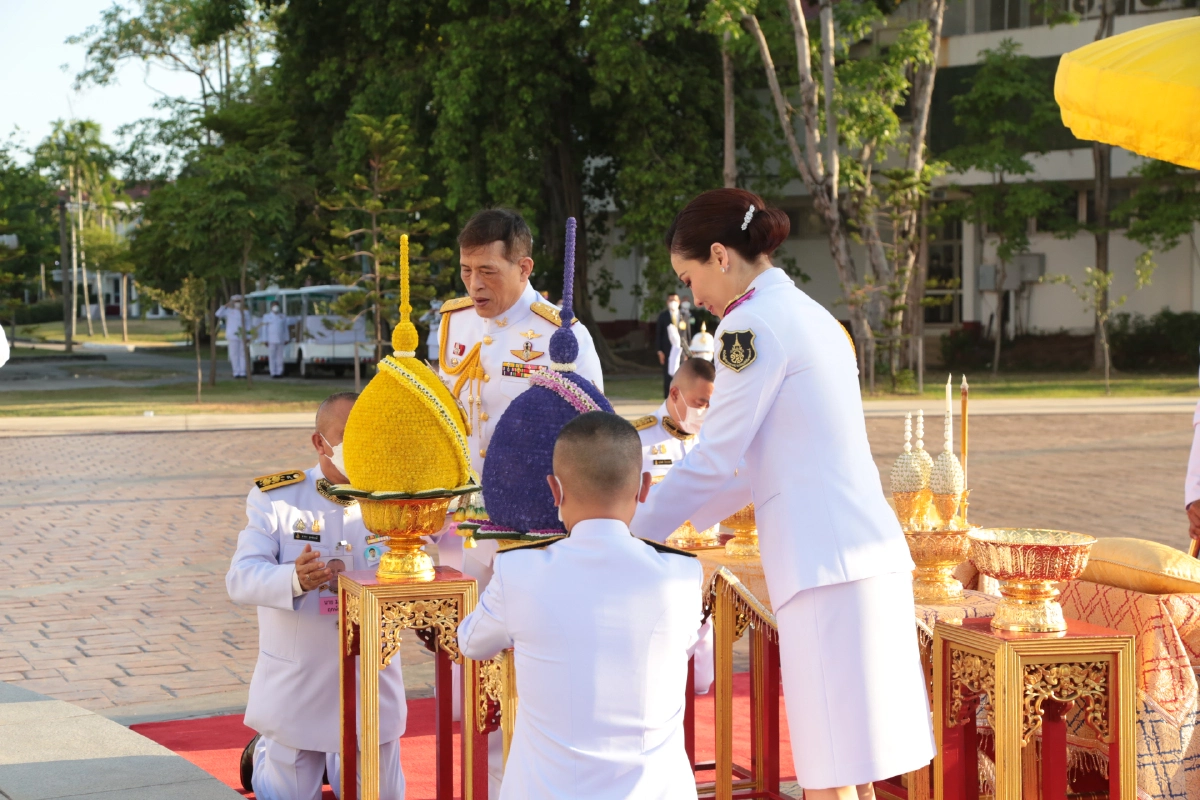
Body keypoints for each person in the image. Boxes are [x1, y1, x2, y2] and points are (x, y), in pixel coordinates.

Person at [629, 188, 934, 800]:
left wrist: (633, 529)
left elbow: (718, 457)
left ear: (720, 256)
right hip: (862, 557)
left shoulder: (749, 325)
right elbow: (754, 462)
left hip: (825, 568)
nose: (694, 296)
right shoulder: (809, 312)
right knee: (854, 773)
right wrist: (672, 523)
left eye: (690, 277)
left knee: (828, 777)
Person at [458, 411, 704, 800]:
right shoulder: (681, 574)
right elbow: (702, 678)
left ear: (555, 490)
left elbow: (471, 642)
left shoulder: (520, 569)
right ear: (644, 487)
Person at [226, 392, 407, 800]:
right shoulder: (278, 499)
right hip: (298, 686)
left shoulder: (395, 499)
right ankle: (266, 755)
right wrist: (293, 579)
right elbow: (241, 578)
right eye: (345, 435)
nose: (357, 445)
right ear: (319, 443)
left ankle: (331, 761)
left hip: (370, 686)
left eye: (366, 434)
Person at [436, 208, 604, 575]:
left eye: (488, 271)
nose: (474, 284)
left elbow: (594, 433)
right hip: (471, 521)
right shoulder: (455, 323)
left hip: (539, 525)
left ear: (524, 268)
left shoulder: (561, 334)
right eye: (466, 270)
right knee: (475, 629)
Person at [635, 357, 715, 483]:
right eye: (701, 404)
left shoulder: (714, 439)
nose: (707, 411)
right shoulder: (636, 439)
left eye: (712, 405)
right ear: (675, 394)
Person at [655, 293, 690, 398]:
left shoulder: (685, 316)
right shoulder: (663, 316)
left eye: (675, 300)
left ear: (679, 302)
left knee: (682, 375)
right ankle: (668, 399)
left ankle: (682, 398)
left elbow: (687, 334)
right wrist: (659, 351)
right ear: (667, 302)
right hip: (668, 351)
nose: (673, 302)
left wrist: (688, 352)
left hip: (682, 351)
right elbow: (658, 334)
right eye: (670, 300)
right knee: (668, 377)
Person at [216, 295, 249, 379]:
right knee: (234, 354)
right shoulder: (229, 311)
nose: (238, 303)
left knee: (242, 354)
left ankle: (243, 372)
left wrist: (248, 336)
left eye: (239, 301)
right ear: (233, 303)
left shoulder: (245, 312)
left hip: (242, 335)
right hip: (232, 336)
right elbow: (218, 314)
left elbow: (249, 325)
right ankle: (236, 372)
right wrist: (225, 306)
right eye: (236, 302)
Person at [261, 301, 290, 378]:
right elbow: (264, 329)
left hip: (280, 339)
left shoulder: (282, 316)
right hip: (271, 339)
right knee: (272, 356)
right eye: (274, 305)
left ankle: (279, 372)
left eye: (277, 305)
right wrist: (265, 340)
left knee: (280, 357)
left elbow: (285, 328)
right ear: (271, 307)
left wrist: (287, 338)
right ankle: (273, 372)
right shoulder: (267, 317)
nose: (275, 307)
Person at [419, 299, 443, 364]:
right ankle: (432, 364)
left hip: (440, 334)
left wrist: (440, 313)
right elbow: (421, 319)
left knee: (442, 352)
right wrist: (429, 313)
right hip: (432, 335)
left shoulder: (442, 315)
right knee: (432, 352)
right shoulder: (430, 316)